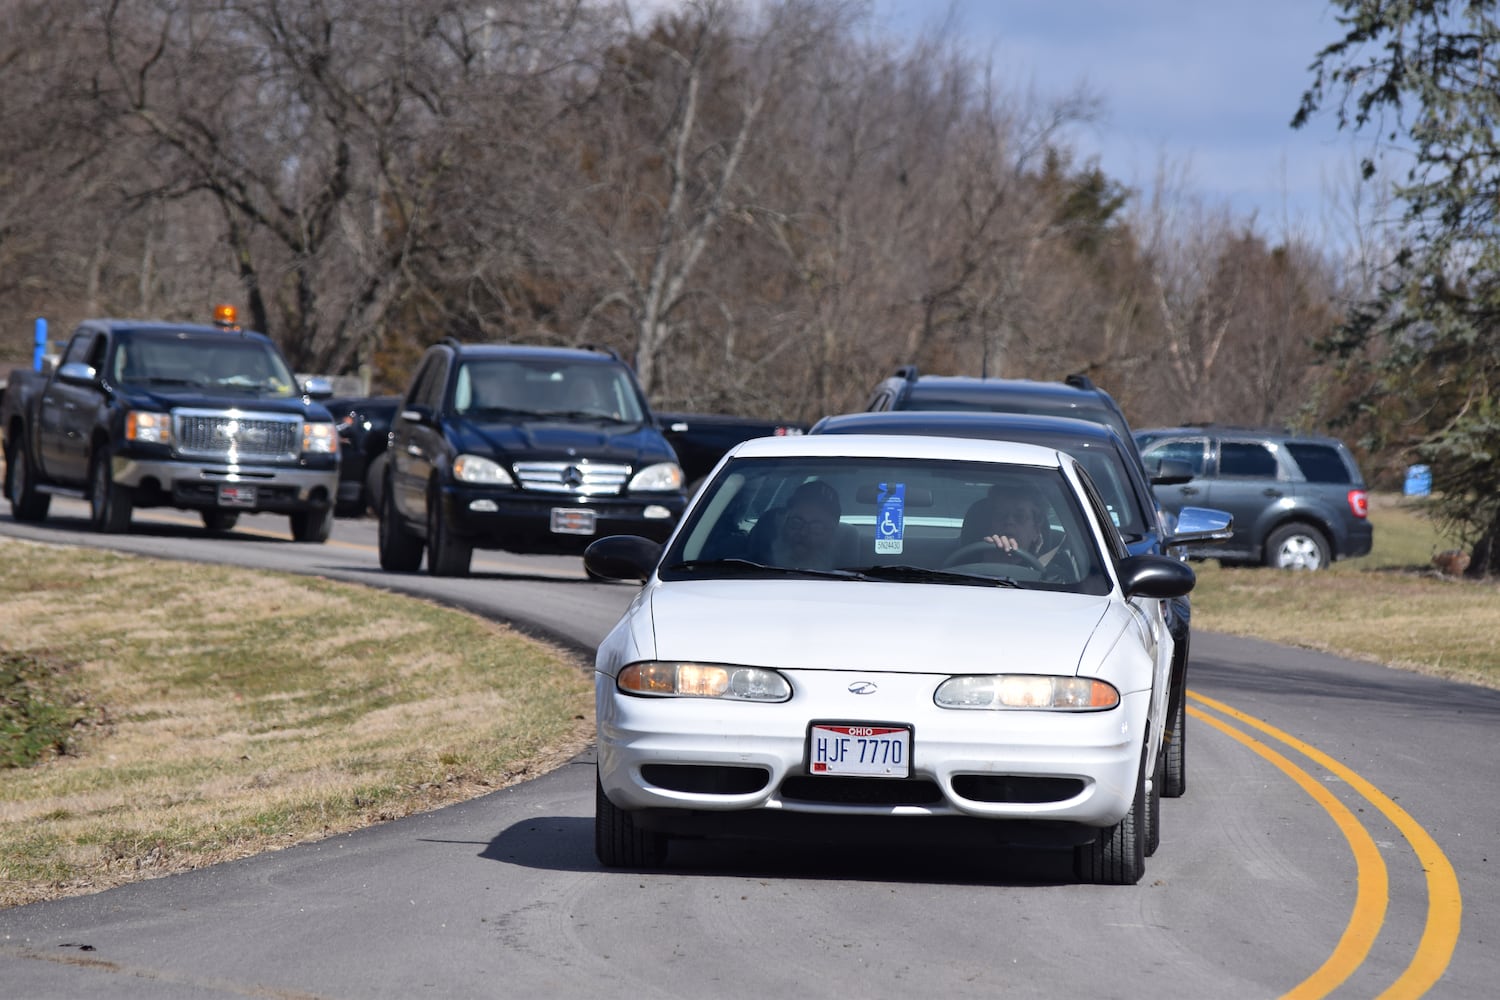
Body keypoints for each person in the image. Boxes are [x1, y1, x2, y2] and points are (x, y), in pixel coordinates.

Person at [980, 483, 1071, 570]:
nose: (1009, 521)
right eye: (1001, 515)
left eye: (1020, 517)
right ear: (990, 525)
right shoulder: (967, 570)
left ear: (1036, 530)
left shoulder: (1054, 579)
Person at [761, 479, 844, 570]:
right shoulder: (750, 570)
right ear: (783, 523)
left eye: (817, 527)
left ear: (832, 533)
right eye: (796, 522)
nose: (803, 532)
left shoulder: (852, 582)